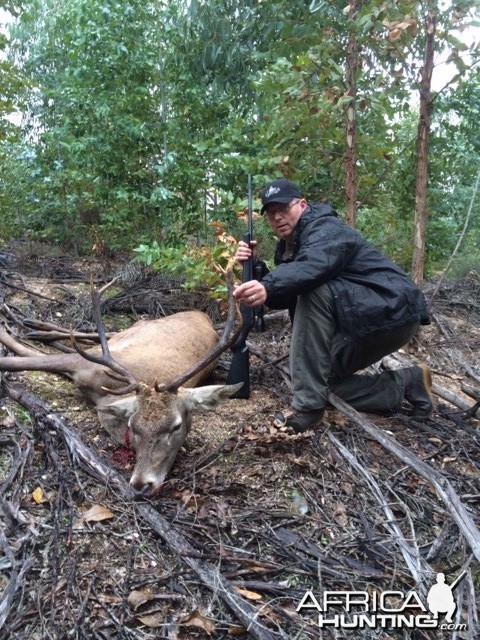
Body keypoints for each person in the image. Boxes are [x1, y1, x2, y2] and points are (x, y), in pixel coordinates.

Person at [233, 178, 433, 433]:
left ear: (302, 205)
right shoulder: (288, 247)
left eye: (283, 209)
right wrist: (255, 270)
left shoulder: (326, 228)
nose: (278, 217)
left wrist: (269, 284)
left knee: (314, 290)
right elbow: (285, 293)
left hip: (390, 311)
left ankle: (308, 409)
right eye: (271, 213)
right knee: (312, 380)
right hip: (363, 319)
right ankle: (406, 382)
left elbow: (313, 267)